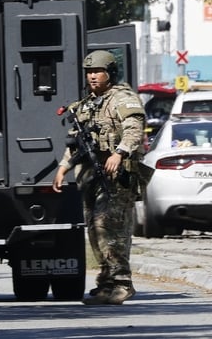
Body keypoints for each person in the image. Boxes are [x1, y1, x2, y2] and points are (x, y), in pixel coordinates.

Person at [52, 50, 145, 305]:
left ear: (110, 73)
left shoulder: (122, 99)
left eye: (98, 71)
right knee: (94, 230)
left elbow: (134, 129)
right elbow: (75, 142)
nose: (93, 76)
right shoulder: (86, 105)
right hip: (92, 176)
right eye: (89, 72)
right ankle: (106, 284)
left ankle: (122, 283)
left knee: (110, 228)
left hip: (118, 176)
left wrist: (120, 152)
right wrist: (63, 167)